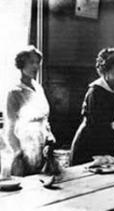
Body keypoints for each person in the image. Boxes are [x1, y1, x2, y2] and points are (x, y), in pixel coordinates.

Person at [4, 46, 56, 176]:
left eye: (37, 63)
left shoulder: (38, 87)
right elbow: (10, 127)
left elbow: (44, 118)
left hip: (42, 143)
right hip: (25, 143)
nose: (36, 66)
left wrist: (49, 138)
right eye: (31, 62)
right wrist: (18, 152)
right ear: (22, 64)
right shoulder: (14, 92)